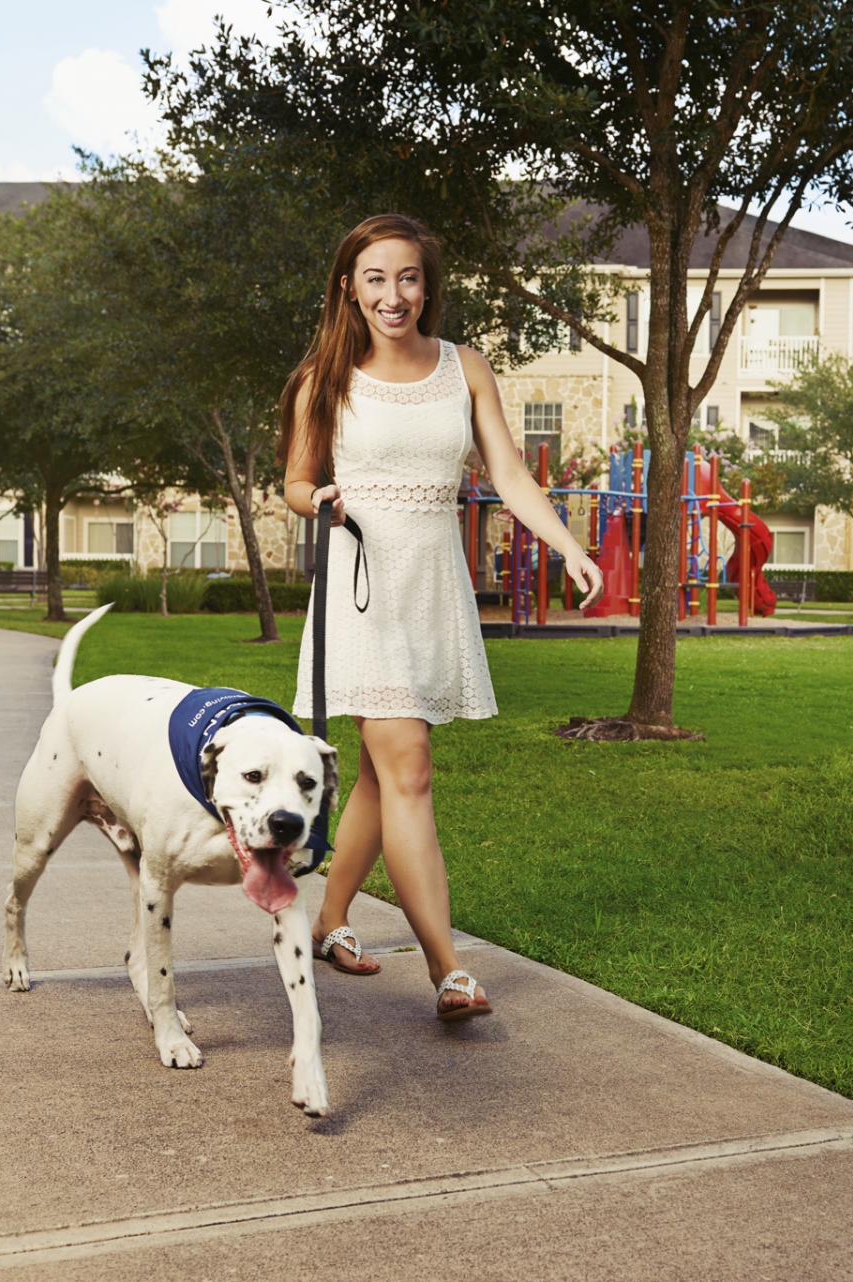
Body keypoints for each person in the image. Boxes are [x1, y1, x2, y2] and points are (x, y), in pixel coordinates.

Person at [281, 214, 603, 1020]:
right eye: (376, 279)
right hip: (363, 580)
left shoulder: (465, 367)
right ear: (349, 288)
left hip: (431, 580)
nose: (395, 295)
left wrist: (567, 546)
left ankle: (327, 921)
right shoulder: (327, 374)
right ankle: (447, 969)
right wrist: (316, 498)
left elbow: (509, 475)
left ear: (428, 284)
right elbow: (292, 480)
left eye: (409, 277)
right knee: (411, 767)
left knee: (381, 773)